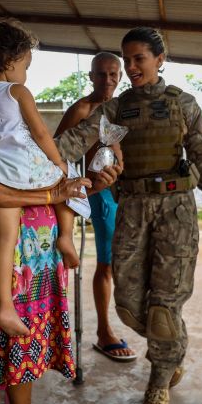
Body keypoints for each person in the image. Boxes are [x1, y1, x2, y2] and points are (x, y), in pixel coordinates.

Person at [56, 27, 202, 404]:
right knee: (128, 302)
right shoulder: (116, 109)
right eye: (128, 59)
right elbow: (75, 140)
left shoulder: (184, 104)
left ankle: (157, 386)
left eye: (140, 58)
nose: (133, 67)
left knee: (164, 305)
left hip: (176, 211)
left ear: (160, 58)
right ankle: (174, 347)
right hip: (132, 209)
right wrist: (26, 157)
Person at [0, 117, 121, 404]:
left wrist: (87, 186)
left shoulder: (23, 132)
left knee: (21, 352)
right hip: (1, 266)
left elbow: (55, 180)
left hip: (37, 262)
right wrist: (50, 197)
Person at [0, 19, 87, 337]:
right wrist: (59, 163)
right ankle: (66, 236)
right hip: (24, 168)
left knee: (5, 239)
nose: (26, 73)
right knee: (68, 182)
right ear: (9, 61)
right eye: (26, 65)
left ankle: (5, 307)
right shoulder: (17, 90)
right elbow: (41, 132)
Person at [55, 52, 136, 362]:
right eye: (101, 74)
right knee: (105, 264)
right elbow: (56, 156)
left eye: (114, 74)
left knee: (117, 264)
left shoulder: (121, 112)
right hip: (95, 195)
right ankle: (104, 333)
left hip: (120, 194)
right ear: (91, 77)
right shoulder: (82, 110)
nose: (108, 80)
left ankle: (111, 328)